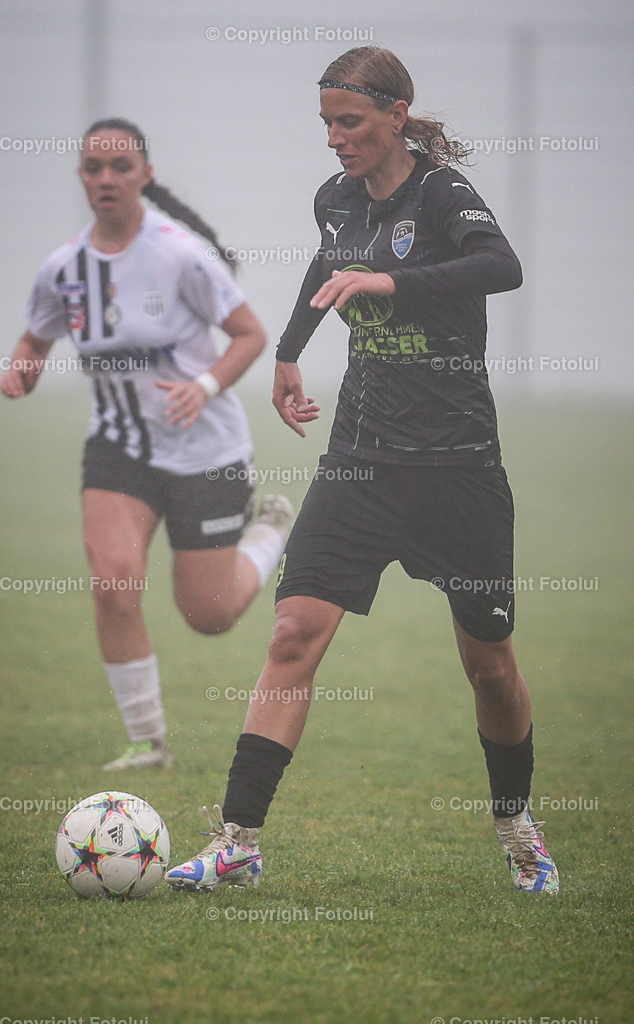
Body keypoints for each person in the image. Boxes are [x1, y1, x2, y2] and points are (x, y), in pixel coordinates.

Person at [165, 47, 559, 894]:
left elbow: (502, 268)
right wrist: (288, 355)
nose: (335, 139)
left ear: (395, 114)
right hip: (360, 463)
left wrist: (390, 279)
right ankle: (237, 845)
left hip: (457, 470)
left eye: (349, 122)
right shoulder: (336, 200)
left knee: (489, 667)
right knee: (291, 635)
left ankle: (517, 829)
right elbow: (326, 263)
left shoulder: (442, 195)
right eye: (326, 124)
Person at [0, 118, 293, 771]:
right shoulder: (64, 268)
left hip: (206, 453)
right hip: (118, 448)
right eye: (93, 168)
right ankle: (147, 741)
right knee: (112, 584)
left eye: (120, 167)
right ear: (81, 176)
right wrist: (22, 368)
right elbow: (34, 338)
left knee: (209, 616)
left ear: (145, 175)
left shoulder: (180, 254)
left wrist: (205, 385)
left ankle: (270, 530)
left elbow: (248, 334)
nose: (106, 179)